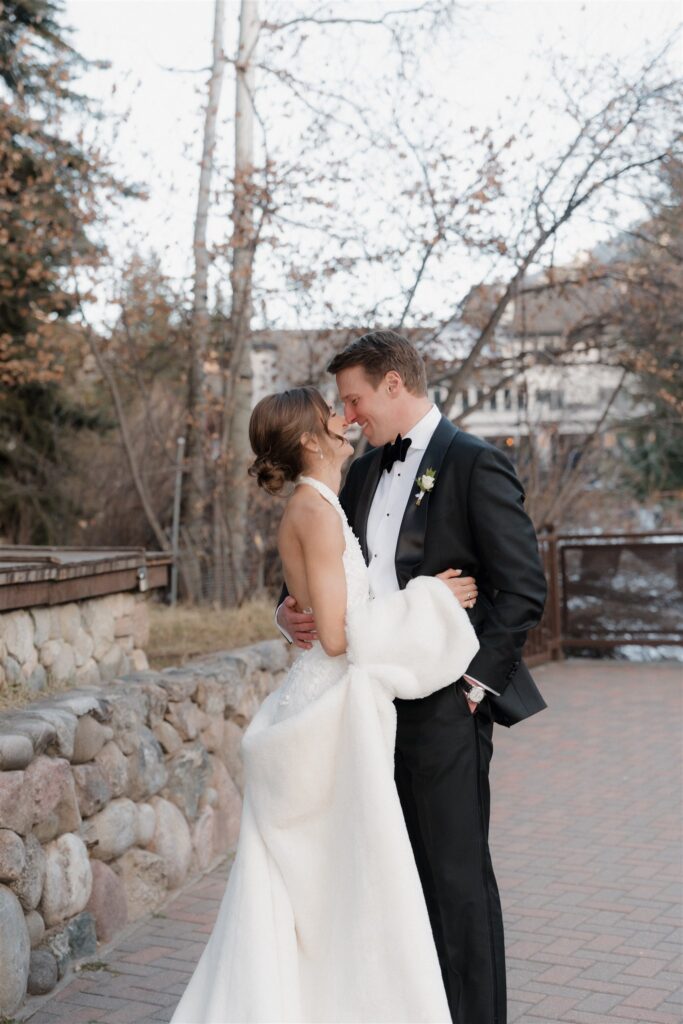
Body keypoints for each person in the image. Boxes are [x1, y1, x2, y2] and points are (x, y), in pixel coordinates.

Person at [171, 385, 482, 1024]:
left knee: (332, 875)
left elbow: (322, 612)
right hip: (329, 711)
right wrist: (429, 597)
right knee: (331, 875)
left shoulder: (322, 502)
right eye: (331, 412)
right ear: (312, 439)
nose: (345, 418)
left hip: (335, 700)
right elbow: (338, 635)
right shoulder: (313, 511)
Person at [277, 332, 548, 1024]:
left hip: (442, 708)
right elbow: (322, 572)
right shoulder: (357, 476)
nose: (349, 414)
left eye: (355, 398)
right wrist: (289, 612)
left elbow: (520, 590)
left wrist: (472, 688)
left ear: (394, 385)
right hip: (364, 710)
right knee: (388, 884)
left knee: (455, 881)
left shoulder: (474, 463)